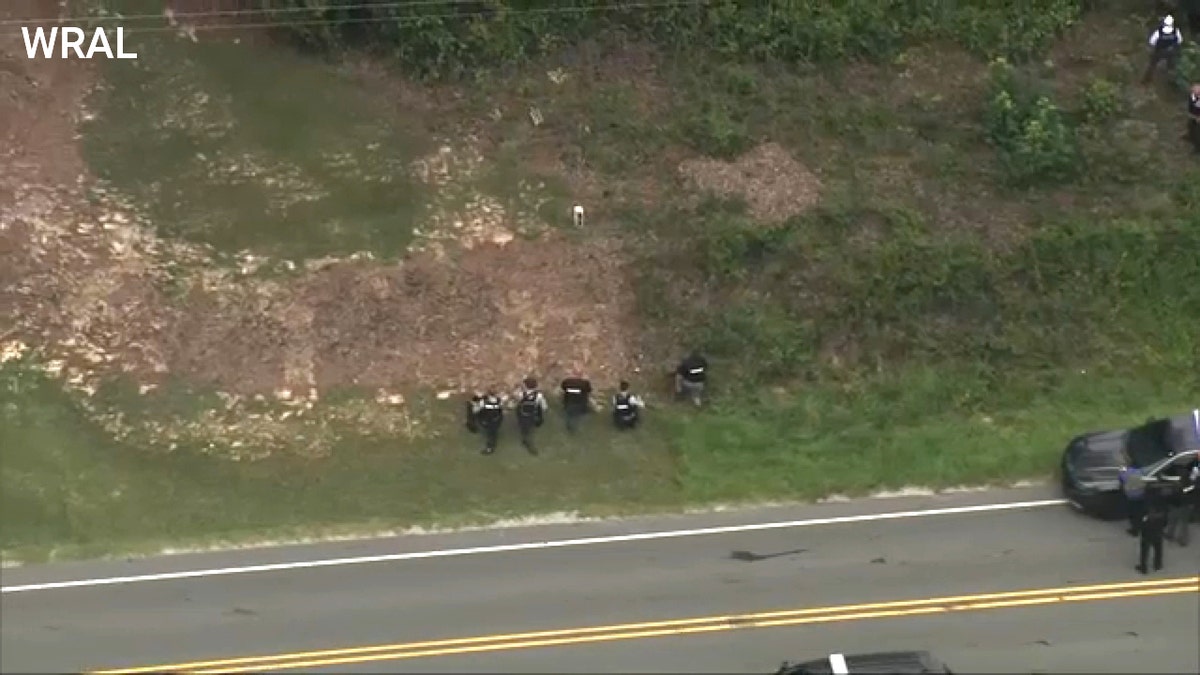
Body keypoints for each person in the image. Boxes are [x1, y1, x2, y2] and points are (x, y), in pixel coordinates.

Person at [1164, 454, 1198, 546]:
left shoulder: (1188, 484)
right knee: (1174, 521)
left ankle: (1182, 540)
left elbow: (1186, 491)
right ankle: (1171, 535)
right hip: (1181, 504)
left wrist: (1179, 488)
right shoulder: (1188, 481)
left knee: (1181, 523)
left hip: (1183, 505)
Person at [1136, 485, 1169, 574]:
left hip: (1148, 530)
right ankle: (1157, 565)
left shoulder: (1145, 503)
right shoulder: (1162, 503)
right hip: (1158, 528)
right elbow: (1165, 517)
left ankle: (1144, 567)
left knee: (1145, 549)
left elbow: (1140, 517)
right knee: (1158, 548)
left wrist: (1140, 527)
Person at [1144, 14, 1184, 84]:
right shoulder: (1176, 31)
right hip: (1171, 52)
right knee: (1171, 67)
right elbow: (1180, 41)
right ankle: (1172, 82)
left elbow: (1152, 42)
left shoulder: (1158, 32)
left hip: (1159, 51)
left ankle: (1146, 80)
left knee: (1152, 65)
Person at [513, 377, 548, 455]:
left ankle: (526, 441)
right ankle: (528, 442)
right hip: (532, 416)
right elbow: (544, 407)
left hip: (522, 415)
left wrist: (518, 387)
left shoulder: (521, 394)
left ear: (525, 385)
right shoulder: (539, 395)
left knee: (523, 428)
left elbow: (515, 398)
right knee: (531, 430)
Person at [1119, 458, 1147, 537]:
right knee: (1140, 513)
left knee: (1132, 514)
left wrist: (1122, 467)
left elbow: (1121, 477)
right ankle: (1141, 527)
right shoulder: (1142, 471)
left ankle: (1135, 529)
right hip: (1141, 495)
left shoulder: (1127, 472)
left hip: (1131, 496)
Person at [473, 388, 504, 455]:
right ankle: (491, 444)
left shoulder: (484, 402)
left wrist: (475, 405)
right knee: (494, 432)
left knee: (491, 434)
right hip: (497, 420)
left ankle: (490, 448)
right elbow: (500, 409)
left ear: (489, 395)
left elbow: (475, 410)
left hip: (487, 420)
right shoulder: (499, 401)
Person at [1188, 84, 1200, 155]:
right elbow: (1192, 107)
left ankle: (1197, 148)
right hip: (1194, 116)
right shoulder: (1192, 97)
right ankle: (1190, 136)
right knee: (1191, 124)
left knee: (1197, 131)